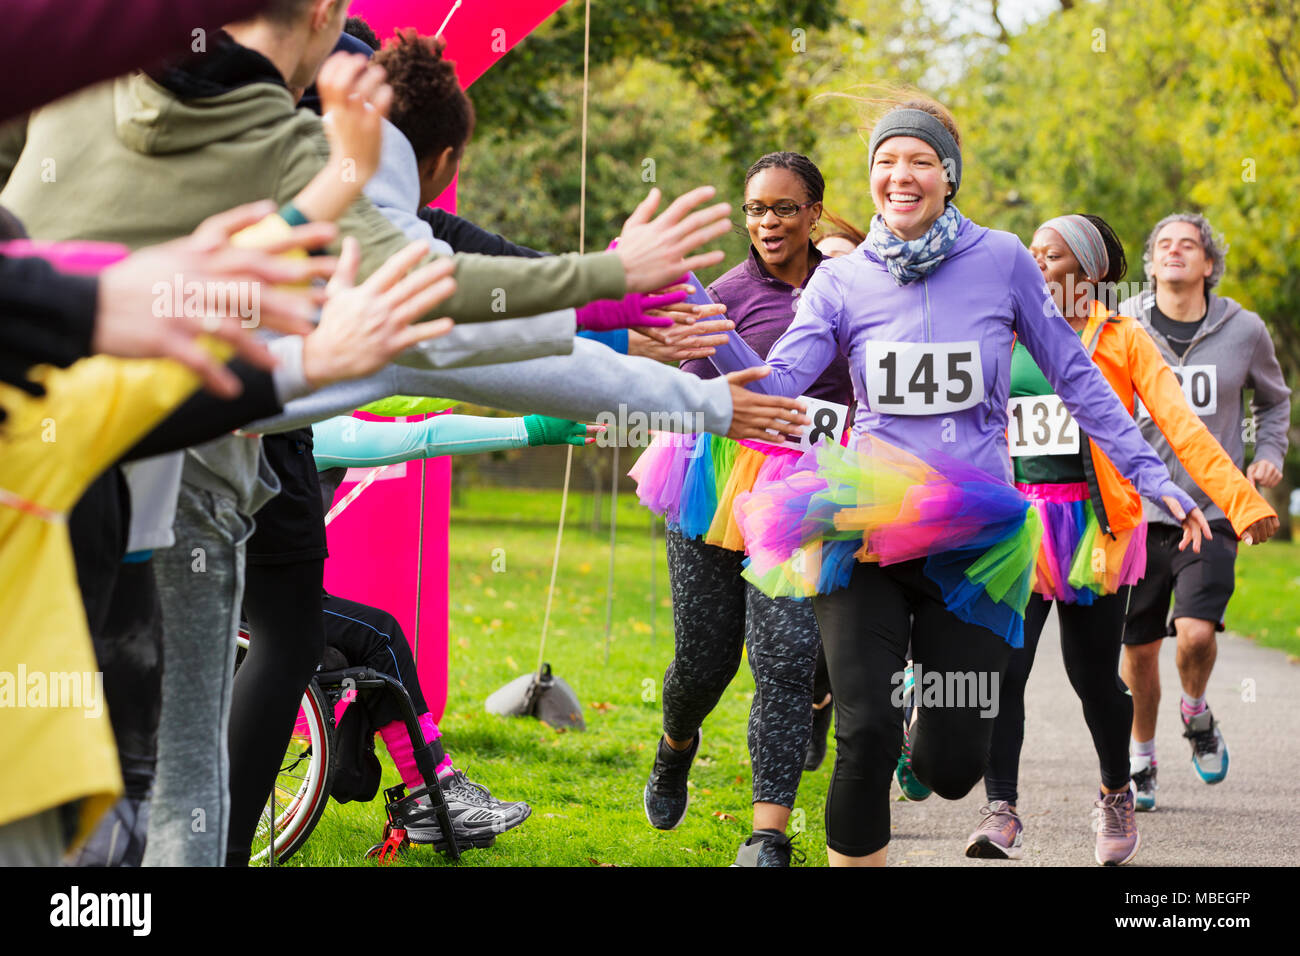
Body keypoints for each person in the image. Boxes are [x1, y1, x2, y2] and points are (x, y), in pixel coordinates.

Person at [706, 96, 1209, 866]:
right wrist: (701, 329)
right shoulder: (841, 283)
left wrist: (1150, 476)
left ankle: (930, 722)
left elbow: (1076, 375)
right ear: (869, 179)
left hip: (971, 541)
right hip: (864, 526)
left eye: (919, 161)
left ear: (949, 176)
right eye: (884, 162)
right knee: (864, 732)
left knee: (951, 768)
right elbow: (776, 381)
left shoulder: (1002, 258)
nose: (900, 176)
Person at [966, 214, 1277, 865]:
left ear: (1089, 270)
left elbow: (1182, 427)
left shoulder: (1122, 337)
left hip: (1093, 532)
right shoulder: (1002, 329)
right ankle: (1002, 810)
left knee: (1093, 678)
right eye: (1030, 251)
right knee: (1005, 671)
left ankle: (1115, 792)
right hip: (1015, 528)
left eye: (1049, 255)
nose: (1033, 261)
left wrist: (1240, 505)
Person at [628, 151, 852, 866]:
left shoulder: (852, 288)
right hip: (716, 481)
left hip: (812, 489)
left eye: (785, 208)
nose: (769, 223)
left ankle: (767, 836)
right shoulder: (724, 294)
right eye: (756, 209)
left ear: (815, 213)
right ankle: (675, 744)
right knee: (704, 659)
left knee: (784, 654)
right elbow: (688, 396)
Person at [1118, 213, 1291, 808]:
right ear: (1150, 262)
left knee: (1193, 634)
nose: (1174, 252)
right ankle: (1141, 755)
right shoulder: (1123, 326)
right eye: (1162, 244)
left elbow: (1274, 402)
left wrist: (1268, 456)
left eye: (1187, 245)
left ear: (1207, 264)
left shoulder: (1244, 330)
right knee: (1138, 649)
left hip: (1212, 509)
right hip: (1137, 512)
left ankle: (1195, 710)